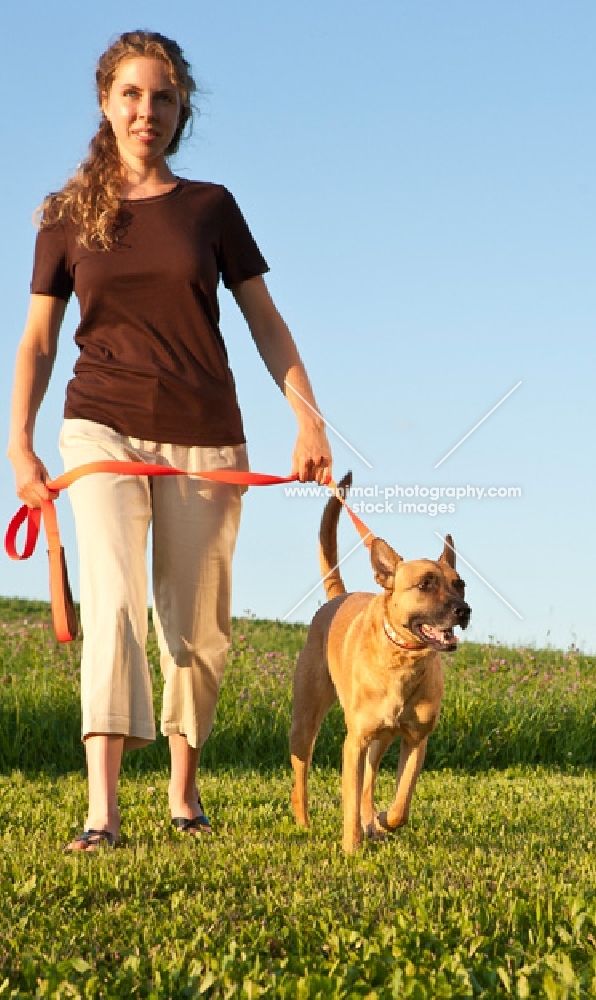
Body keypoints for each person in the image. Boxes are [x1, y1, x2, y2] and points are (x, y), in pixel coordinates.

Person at [7, 30, 332, 852]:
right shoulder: (64, 216)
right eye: (131, 94)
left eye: (162, 97)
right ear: (105, 103)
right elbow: (40, 342)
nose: (146, 110)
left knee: (195, 621)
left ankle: (183, 796)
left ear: (181, 109)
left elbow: (264, 320)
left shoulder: (211, 207)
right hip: (100, 425)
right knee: (115, 600)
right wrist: (21, 443)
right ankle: (102, 813)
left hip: (205, 434)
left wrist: (308, 418)